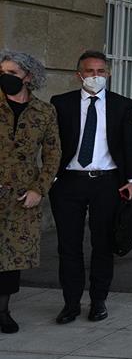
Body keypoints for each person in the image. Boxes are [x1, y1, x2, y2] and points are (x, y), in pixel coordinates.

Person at [48, 51, 132, 324]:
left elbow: (128, 144)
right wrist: (51, 178)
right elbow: (52, 144)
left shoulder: (121, 105)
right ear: (79, 75)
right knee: (68, 246)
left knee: (102, 244)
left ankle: (98, 301)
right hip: (68, 183)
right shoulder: (61, 103)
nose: (95, 76)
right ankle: (71, 303)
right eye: (89, 71)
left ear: (108, 74)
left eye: (101, 71)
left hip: (107, 182)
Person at [0, 51, 61, 334]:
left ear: (28, 76)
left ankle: (3, 310)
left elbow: (52, 154)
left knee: (12, 256)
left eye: (12, 72)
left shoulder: (44, 111)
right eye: (2, 71)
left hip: (21, 195)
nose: (6, 76)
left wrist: (40, 188)